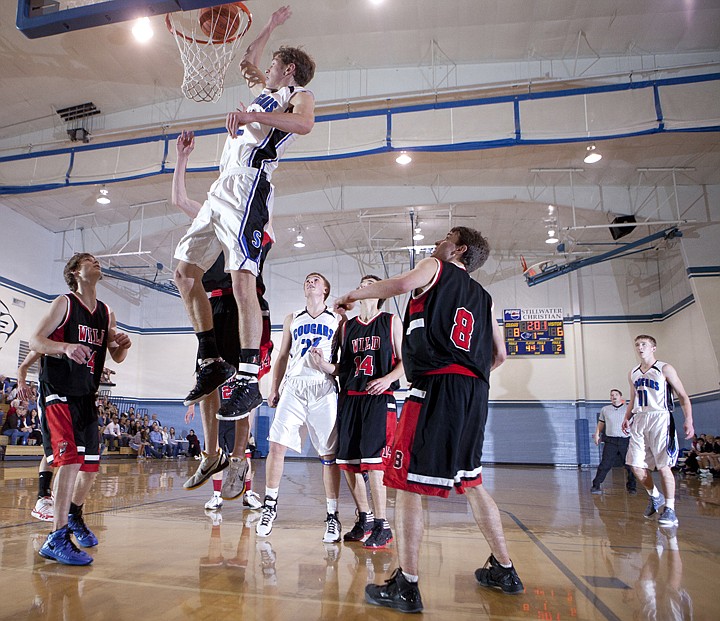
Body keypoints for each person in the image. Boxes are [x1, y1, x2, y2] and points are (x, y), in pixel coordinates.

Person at [334, 227, 524, 613]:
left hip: (437, 387)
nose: (439, 241)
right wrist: (467, 375)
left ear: (459, 249)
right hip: (475, 392)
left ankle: (407, 585)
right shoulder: (484, 298)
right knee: (472, 482)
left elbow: (401, 283)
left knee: (407, 485)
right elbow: (500, 355)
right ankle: (505, 570)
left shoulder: (436, 266)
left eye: (447, 237)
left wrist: (353, 295)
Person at [172, 5, 316, 426]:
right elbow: (246, 60)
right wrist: (270, 26)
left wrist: (253, 115)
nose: (264, 70)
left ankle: (250, 377)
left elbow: (304, 125)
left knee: (241, 279)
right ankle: (211, 358)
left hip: (250, 185)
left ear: (288, 70)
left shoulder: (296, 95)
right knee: (183, 273)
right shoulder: (263, 89)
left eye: (273, 66)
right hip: (220, 188)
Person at [172, 129, 274, 508]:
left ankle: (238, 462)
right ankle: (210, 454)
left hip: (244, 305)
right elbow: (180, 199)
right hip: (214, 305)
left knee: (242, 391)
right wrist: (182, 159)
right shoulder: (213, 219)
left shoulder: (254, 219)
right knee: (208, 381)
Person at [30, 252, 132, 565]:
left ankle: (73, 515)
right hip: (58, 391)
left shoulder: (106, 312)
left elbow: (115, 357)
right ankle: (56, 537)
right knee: (71, 461)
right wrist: (64, 347)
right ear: (76, 271)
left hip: (86, 395)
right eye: (89, 260)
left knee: (90, 467)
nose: (96, 262)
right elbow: (35, 340)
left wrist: (122, 346)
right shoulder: (64, 303)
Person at [309, 275, 404, 549]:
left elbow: (406, 363)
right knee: (348, 463)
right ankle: (366, 518)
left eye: (369, 285)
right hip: (349, 397)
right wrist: (322, 364)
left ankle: (383, 526)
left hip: (378, 398)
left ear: (380, 292)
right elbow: (339, 367)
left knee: (374, 466)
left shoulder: (390, 322)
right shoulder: (346, 326)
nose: (363, 288)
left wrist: (388, 379)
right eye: (360, 284)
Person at [256, 273, 342, 542]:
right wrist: (273, 387)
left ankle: (332, 516)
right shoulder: (293, 317)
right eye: (307, 279)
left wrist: (329, 368)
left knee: (328, 456)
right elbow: (281, 355)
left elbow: (344, 362)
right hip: (293, 385)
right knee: (277, 445)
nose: (310, 282)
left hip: (322, 386)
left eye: (316, 280)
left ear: (325, 289)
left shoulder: (338, 319)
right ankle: (270, 506)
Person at [622, 335, 693, 528]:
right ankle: (655, 496)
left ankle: (670, 509)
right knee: (635, 466)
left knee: (663, 466)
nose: (640, 347)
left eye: (643, 344)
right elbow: (633, 398)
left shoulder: (665, 368)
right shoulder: (633, 373)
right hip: (640, 419)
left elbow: (683, 396)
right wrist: (626, 417)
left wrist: (689, 420)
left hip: (661, 418)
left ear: (653, 348)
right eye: (637, 344)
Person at [591, 389, 637, 495]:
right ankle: (596, 485)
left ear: (621, 397)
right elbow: (601, 423)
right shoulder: (605, 409)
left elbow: (635, 423)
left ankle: (632, 487)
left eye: (616, 394)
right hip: (610, 441)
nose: (614, 396)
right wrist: (597, 434)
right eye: (612, 395)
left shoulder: (628, 409)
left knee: (629, 465)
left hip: (625, 440)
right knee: (605, 464)